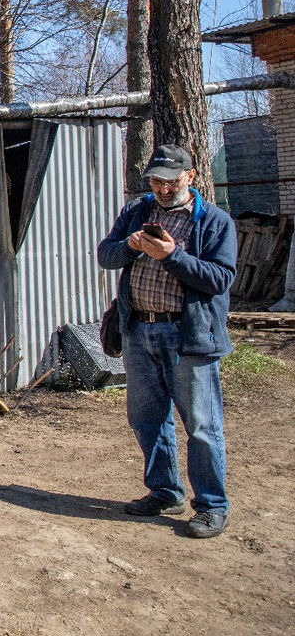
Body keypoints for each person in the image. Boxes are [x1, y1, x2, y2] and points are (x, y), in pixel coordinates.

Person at [97, 144, 236, 539]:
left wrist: (171, 255)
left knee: (202, 425)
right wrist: (131, 246)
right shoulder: (137, 211)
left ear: (190, 177)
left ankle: (211, 506)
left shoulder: (214, 222)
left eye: (170, 181)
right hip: (139, 331)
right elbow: (106, 255)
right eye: (156, 180)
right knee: (147, 418)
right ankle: (164, 491)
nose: (162, 188)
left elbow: (220, 279)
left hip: (188, 337)